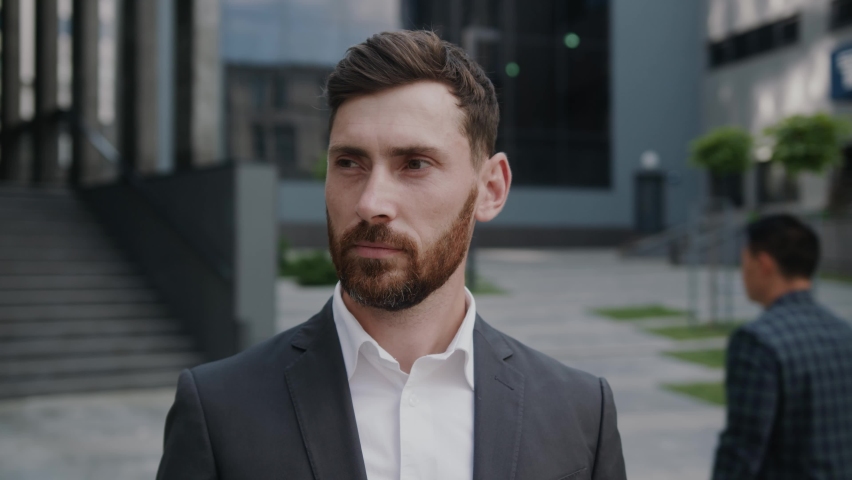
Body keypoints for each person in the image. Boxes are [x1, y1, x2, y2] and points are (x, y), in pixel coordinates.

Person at [157, 30, 626, 480]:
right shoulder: (218, 410)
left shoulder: (582, 413)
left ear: (490, 188)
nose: (370, 202)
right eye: (349, 163)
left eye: (415, 164)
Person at [712, 214, 852, 479]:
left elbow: (742, 449)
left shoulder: (757, 341)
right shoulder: (844, 332)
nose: (743, 274)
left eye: (744, 263)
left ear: (763, 263)